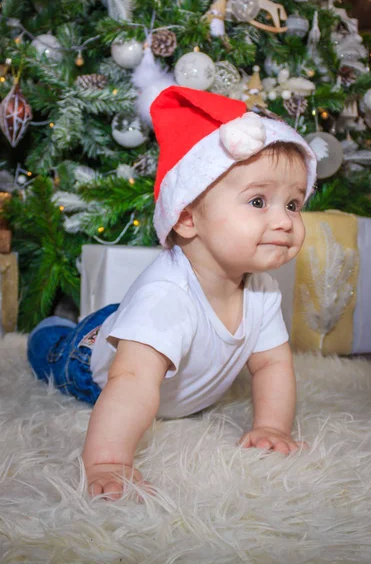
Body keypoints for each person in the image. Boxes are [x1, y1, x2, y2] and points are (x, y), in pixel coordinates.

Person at [27, 86, 317, 500]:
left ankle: (108, 318)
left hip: (145, 327)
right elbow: (129, 380)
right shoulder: (167, 297)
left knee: (139, 325)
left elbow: (272, 365)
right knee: (52, 350)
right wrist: (109, 462)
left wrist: (271, 427)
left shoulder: (262, 291)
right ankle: (54, 322)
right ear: (185, 217)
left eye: (293, 204)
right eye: (258, 200)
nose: (286, 221)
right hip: (89, 358)